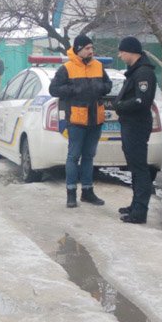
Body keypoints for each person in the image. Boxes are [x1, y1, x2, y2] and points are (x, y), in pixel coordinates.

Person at [49, 34, 112, 209]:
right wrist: (74, 88)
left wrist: (101, 87)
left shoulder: (98, 66)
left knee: (89, 156)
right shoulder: (67, 68)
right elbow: (53, 89)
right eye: (87, 48)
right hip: (76, 119)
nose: (91, 51)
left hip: (95, 118)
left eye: (92, 48)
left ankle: (87, 191)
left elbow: (108, 85)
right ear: (78, 50)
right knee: (73, 156)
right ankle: (71, 193)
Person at [112, 36, 155, 224]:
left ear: (131, 52)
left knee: (139, 169)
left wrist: (120, 106)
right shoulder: (135, 71)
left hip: (136, 126)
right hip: (130, 125)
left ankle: (140, 211)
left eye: (122, 51)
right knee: (134, 168)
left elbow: (142, 100)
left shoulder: (143, 73)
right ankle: (135, 204)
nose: (120, 55)